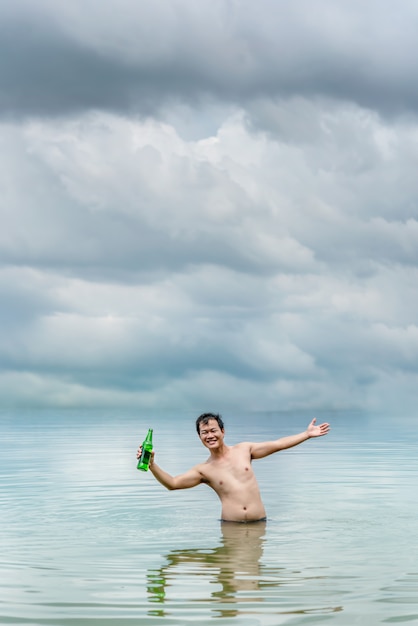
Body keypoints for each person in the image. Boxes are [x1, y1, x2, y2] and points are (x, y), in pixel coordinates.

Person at [137, 412, 330, 523]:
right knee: (228, 580)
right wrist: (152, 464)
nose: (209, 435)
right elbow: (172, 483)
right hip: (231, 527)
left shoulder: (245, 450)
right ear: (200, 437)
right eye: (204, 433)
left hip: (259, 525)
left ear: (223, 431)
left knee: (254, 580)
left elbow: (279, 444)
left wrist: (306, 434)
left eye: (213, 430)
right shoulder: (204, 470)